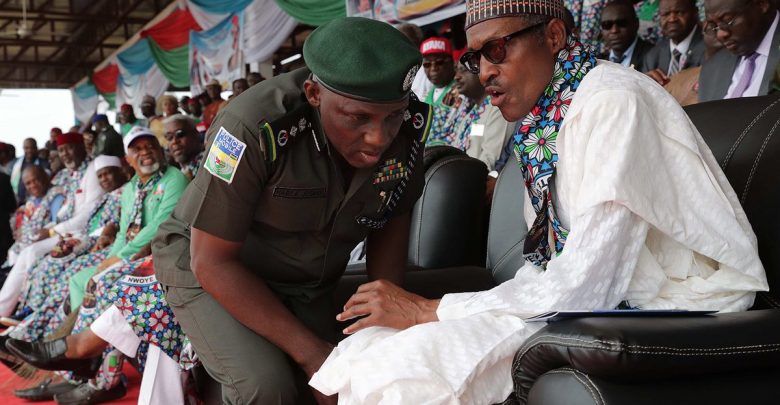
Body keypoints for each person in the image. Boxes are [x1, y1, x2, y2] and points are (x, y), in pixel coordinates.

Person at [309, 1, 768, 403]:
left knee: (404, 373)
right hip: (578, 296)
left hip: (663, 300)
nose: (483, 71)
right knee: (366, 348)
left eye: (496, 49)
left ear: (552, 36)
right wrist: (443, 310)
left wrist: (430, 310)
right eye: (474, 57)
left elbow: (589, 283)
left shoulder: (614, 101)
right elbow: (556, 267)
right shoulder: (545, 115)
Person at [146, 16, 429, 404]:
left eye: (392, 116)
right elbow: (211, 262)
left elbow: (391, 217)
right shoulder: (249, 128)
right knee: (266, 386)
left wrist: (381, 326)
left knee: (352, 378)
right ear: (314, 94)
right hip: (212, 266)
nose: (379, 137)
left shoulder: (408, 124)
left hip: (306, 279)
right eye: (358, 118)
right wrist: (312, 354)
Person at [4, 128, 188, 403]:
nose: (145, 152)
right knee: (81, 279)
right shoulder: (131, 189)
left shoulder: (174, 179)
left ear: (160, 150)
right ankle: (74, 369)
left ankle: (97, 373)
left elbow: (160, 228)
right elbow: (124, 231)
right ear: (128, 159)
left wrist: (118, 260)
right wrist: (109, 259)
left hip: (161, 256)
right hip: (131, 255)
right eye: (137, 149)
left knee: (101, 285)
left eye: (150, 145)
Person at [0, 132, 104, 317]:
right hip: (66, 229)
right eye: (61, 150)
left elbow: (87, 215)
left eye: (69, 148)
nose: (65, 154)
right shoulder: (70, 174)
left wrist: (51, 231)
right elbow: (64, 212)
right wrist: (46, 230)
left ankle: (29, 309)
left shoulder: (92, 170)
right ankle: (4, 310)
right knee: (25, 251)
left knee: (33, 253)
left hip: (83, 232)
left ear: (81, 147)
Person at [698, 0, 780, 101]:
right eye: (714, 26)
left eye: (728, 20)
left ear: (761, 4)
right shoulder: (712, 68)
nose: (720, 34)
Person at [644, 0, 706, 85]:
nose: (672, 19)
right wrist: (645, 83)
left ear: (695, 13)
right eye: (666, 14)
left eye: (679, 12)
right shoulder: (652, 57)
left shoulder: (710, 48)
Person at [601, 0, 655, 71]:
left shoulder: (654, 55)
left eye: (621, 23)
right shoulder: (598, 61)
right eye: (607, 25)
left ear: (636, 24)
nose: (614, 30)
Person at [420, 37, 461, 108]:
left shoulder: (461, 89)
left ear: (452, 62)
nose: (433, 68)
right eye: (427, 64)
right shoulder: (427, 95)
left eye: (439, 62)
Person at [164, 114, 204, 180]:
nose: (174, 141)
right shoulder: (175, 176)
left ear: (195, 134)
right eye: (169, 137)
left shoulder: (208, 163)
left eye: (180, 134)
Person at [10, 138, 49, 205]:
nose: (29, 150)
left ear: (36, 148)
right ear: (23, 148)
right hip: (19, 200)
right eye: (26, 148)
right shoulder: (17, 163)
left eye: (32, 148)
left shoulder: (44, 164)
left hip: (39, 200)